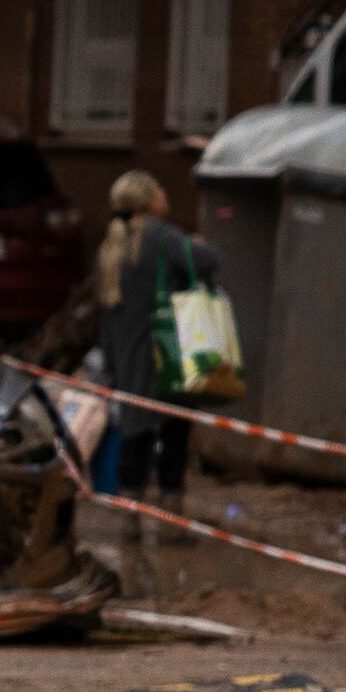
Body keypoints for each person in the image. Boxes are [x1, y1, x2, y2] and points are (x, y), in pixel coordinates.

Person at [95, 169, 215, 520]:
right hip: (169, 356)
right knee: (174, 439)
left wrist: (111, 367)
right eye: (161, 189)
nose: (166, 193)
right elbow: (209, 262)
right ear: (148, 201)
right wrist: (200, 246)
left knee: (136, 439)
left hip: (128, 359)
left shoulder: (110, 245)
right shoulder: (162, 237)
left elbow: (107, 315)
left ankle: (129, 525)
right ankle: (170, 523)